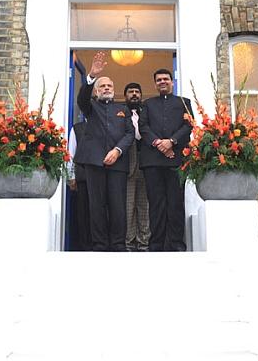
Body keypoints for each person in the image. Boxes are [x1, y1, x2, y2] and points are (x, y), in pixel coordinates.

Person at [75, 51, 135, 251]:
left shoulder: (123, 109)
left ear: (113, 89)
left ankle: (118, 245)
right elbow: (82, 98)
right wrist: (91, 76)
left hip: (118, 163)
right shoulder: (90, 106)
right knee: (96, 206)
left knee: (118, 207)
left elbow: (130, 133)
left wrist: (117, 151)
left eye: (109, 85)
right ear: (97, 91)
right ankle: (99, 245)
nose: (106, 88)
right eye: (102, 86)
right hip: (94, 163)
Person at [139, 69, 192, 252]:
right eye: (159, 80)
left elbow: (188, 126)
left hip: (176, 160)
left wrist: (171, 142)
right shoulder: (147, 104)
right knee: (156, 204)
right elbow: (143, 127)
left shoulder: (184, 103)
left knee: (176, 203)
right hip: (152, 161)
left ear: (172, 81)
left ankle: (176, 244)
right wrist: (159, 144)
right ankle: (156, 245)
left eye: (165, 79)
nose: (162, 82)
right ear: (155, 84)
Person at [123, 82, 150, 252]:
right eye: (131, 92)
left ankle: (144, 242)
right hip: (126, 164)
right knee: (128, 205)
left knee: (144, 206)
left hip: (146, 163)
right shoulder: (119, 113)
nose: (134, 94)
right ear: (125, 95)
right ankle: (129, 242)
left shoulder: (148, 112)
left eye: (137, 92)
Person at [66, 117, 91, 251]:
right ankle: (85, 246)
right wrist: (71, 177)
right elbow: (71, 154)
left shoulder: (106, 125)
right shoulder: (77, 128)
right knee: (83, 213)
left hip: (102, 178)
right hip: (83, 178)